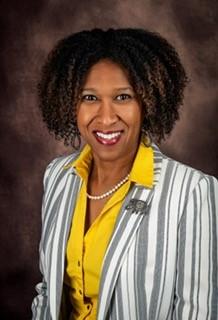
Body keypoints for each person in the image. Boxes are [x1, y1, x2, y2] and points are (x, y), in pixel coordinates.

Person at [31, 28, 218, 320]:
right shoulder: (57, 176)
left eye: (123, 97)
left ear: (148, 102)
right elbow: (48, 290)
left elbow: (198, 312)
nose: (106, 118)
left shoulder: (192, 190)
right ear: (70, 104)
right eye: (90, 98)